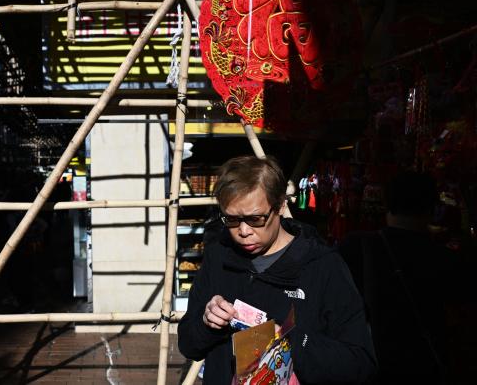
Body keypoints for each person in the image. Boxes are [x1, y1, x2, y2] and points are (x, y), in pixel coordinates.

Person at [178, 156, 376, 384]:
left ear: (281, 205)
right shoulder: (219, 257)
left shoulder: (323, 266)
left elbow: (360, 364)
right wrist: (207, 323)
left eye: (255, 219)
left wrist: (293, 340)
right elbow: (188, 344)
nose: (243, 231)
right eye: (232, 219)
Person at [339, 171, 450, 384]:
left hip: (368, 364)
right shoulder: (443, 258)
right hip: (423, 367)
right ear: (431, 208)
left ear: (386, 203)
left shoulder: (356, 246)